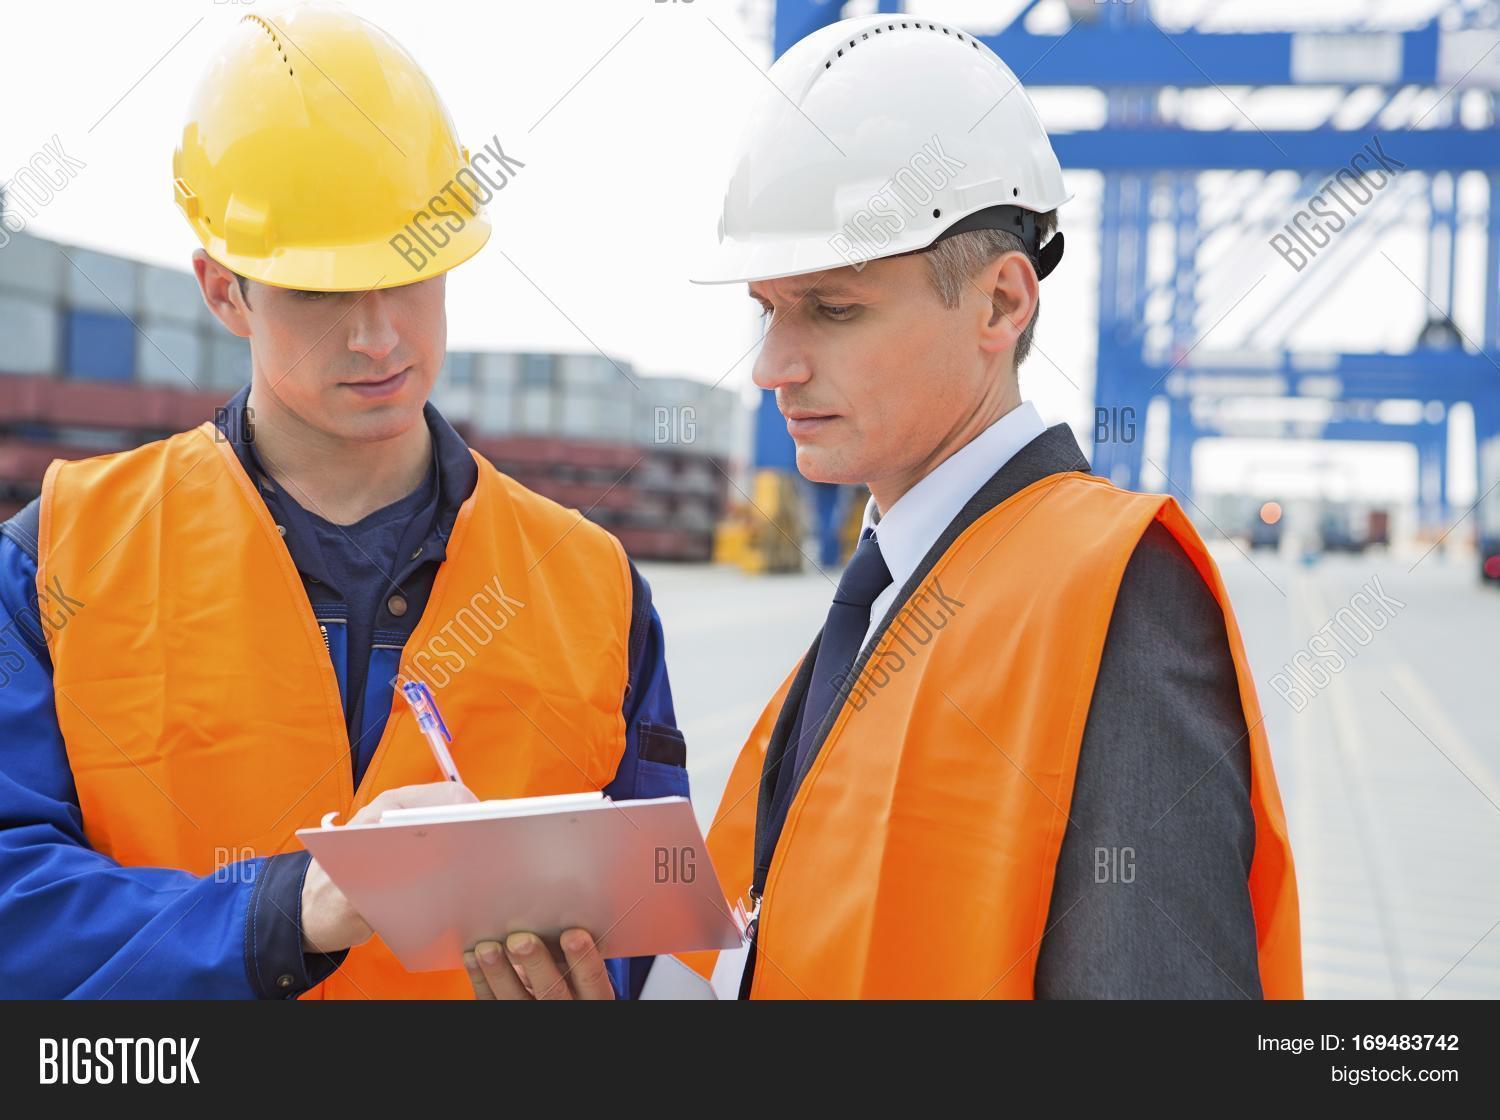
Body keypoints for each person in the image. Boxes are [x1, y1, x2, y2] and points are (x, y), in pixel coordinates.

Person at [0, 4, 685, 1000]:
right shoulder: (57, 555)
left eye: (410, 275)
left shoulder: (593, 586)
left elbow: (660, 922)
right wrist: (280, 916)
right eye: (322, 291)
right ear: (223, 291)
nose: (378, 336)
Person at [651, 14, 1301, 999]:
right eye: (767, 308)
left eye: (832, 308)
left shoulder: (1111, 600)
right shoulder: (884, 603)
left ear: (1003, 304)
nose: (773, 367)